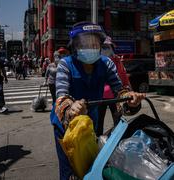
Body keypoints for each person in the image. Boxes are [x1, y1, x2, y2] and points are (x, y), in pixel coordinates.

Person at [50, 22, 145, 179]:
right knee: (70, 171)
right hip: (66, 126)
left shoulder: (106, 63)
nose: (91, 46)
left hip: (90, 122)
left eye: (94, 43)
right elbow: (61, 95)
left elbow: (119, 91)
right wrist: (70, 108)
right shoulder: (65, 64)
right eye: (85, 43)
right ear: (75, 45)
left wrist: (130, 101)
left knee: (90, 166)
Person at [97, 36, 132, 136]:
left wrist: (127, 88)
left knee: (117, 120)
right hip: (103, 96)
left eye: (108, 47)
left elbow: (123, 75)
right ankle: (100, 141)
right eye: (104, 47)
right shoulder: (97, 61)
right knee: (101, 121)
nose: (106, 49)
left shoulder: (116, 60)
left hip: (115, 95)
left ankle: (116, 140)